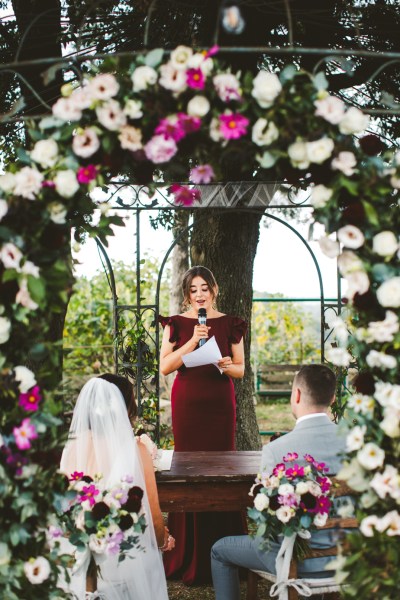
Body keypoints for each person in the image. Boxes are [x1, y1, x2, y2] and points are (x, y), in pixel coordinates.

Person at [211, 364, 347, 600]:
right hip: (346, 555)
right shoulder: (356, 445)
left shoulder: (277, 450)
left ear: (296, 395)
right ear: (333, 398)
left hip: (297, 562)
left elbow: (267, 517)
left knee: (220, 550)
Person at [159, 265, 247, 584]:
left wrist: (226, 365)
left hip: (219, 403)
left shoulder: (232, 323)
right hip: (188, 403)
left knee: (222, 466)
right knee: (188, 468)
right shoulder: (176, 324)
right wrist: (191, 342)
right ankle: (188, 554)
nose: (199, 294)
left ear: (214, 289)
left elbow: (241, 370)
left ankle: (227, 551)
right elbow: (165, 366)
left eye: (204, 288)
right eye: (193, 289)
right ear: (187, 294)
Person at [60, 373, 174, 600]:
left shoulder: (72, 446)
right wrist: (162, 540)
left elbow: (63, 507)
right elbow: (152, 511)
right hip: (121, 556)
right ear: (125, 407)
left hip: (77, 554)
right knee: (149, 555)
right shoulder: (136, 450)